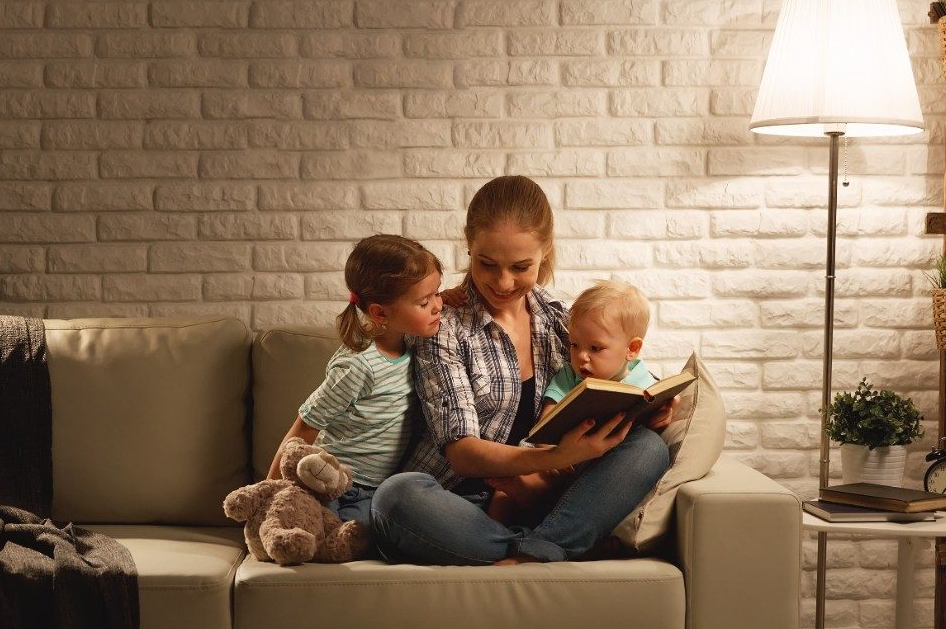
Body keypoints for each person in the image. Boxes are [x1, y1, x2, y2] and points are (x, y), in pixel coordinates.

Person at [369, 176, 672, 565]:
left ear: (545, 253)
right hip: (458, 504)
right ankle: (552, 548)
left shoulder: (557, 318)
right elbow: (462, 455)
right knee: (395, 498)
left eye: (521, 266)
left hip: (548, 499)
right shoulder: (441, 326)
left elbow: (607, 374)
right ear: (469, 248)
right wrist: (557, 458)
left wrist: (650, 409)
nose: (503, 282)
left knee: (648, 449)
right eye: (487, 264)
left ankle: (536, 546)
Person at [266, 234, 444, 530]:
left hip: (377, 489)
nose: (438, 306)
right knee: (347, 531)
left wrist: (453, 295)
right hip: (338, 484)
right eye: (426, 301)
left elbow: (427, 299)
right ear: (379, 312)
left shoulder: (412, 339)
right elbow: (305, 425)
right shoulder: (358, 365)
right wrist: (270, 491)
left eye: (439, 293)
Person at [484, 278, 656, 525]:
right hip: (557, 458)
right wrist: (550, 452)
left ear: (632, 349)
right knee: (511, 484)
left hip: (600, 465)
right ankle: (497, 540)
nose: (581, 357)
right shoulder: (569, 375)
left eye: (595, 348)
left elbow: (654, 416)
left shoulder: (642, 381)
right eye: (575, 345)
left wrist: (664, 411)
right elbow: (548, 419)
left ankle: (533, 501)